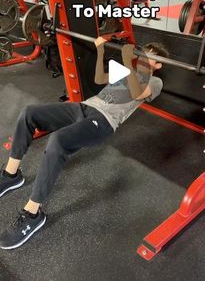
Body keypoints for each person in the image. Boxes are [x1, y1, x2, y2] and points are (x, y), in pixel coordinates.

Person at [0, 37, 168, 250]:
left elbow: (136, 93)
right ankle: (11, 175)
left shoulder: (154, 82)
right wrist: (99, 51)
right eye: (145, 51)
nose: (144, 56)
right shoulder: (126, 74)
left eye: (151, 55)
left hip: (104, 121)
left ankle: (33, 213)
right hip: (84, 107)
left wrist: (127, 63)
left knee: (58, 140)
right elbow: (99, 78)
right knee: (29, 113)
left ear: (158, 65)